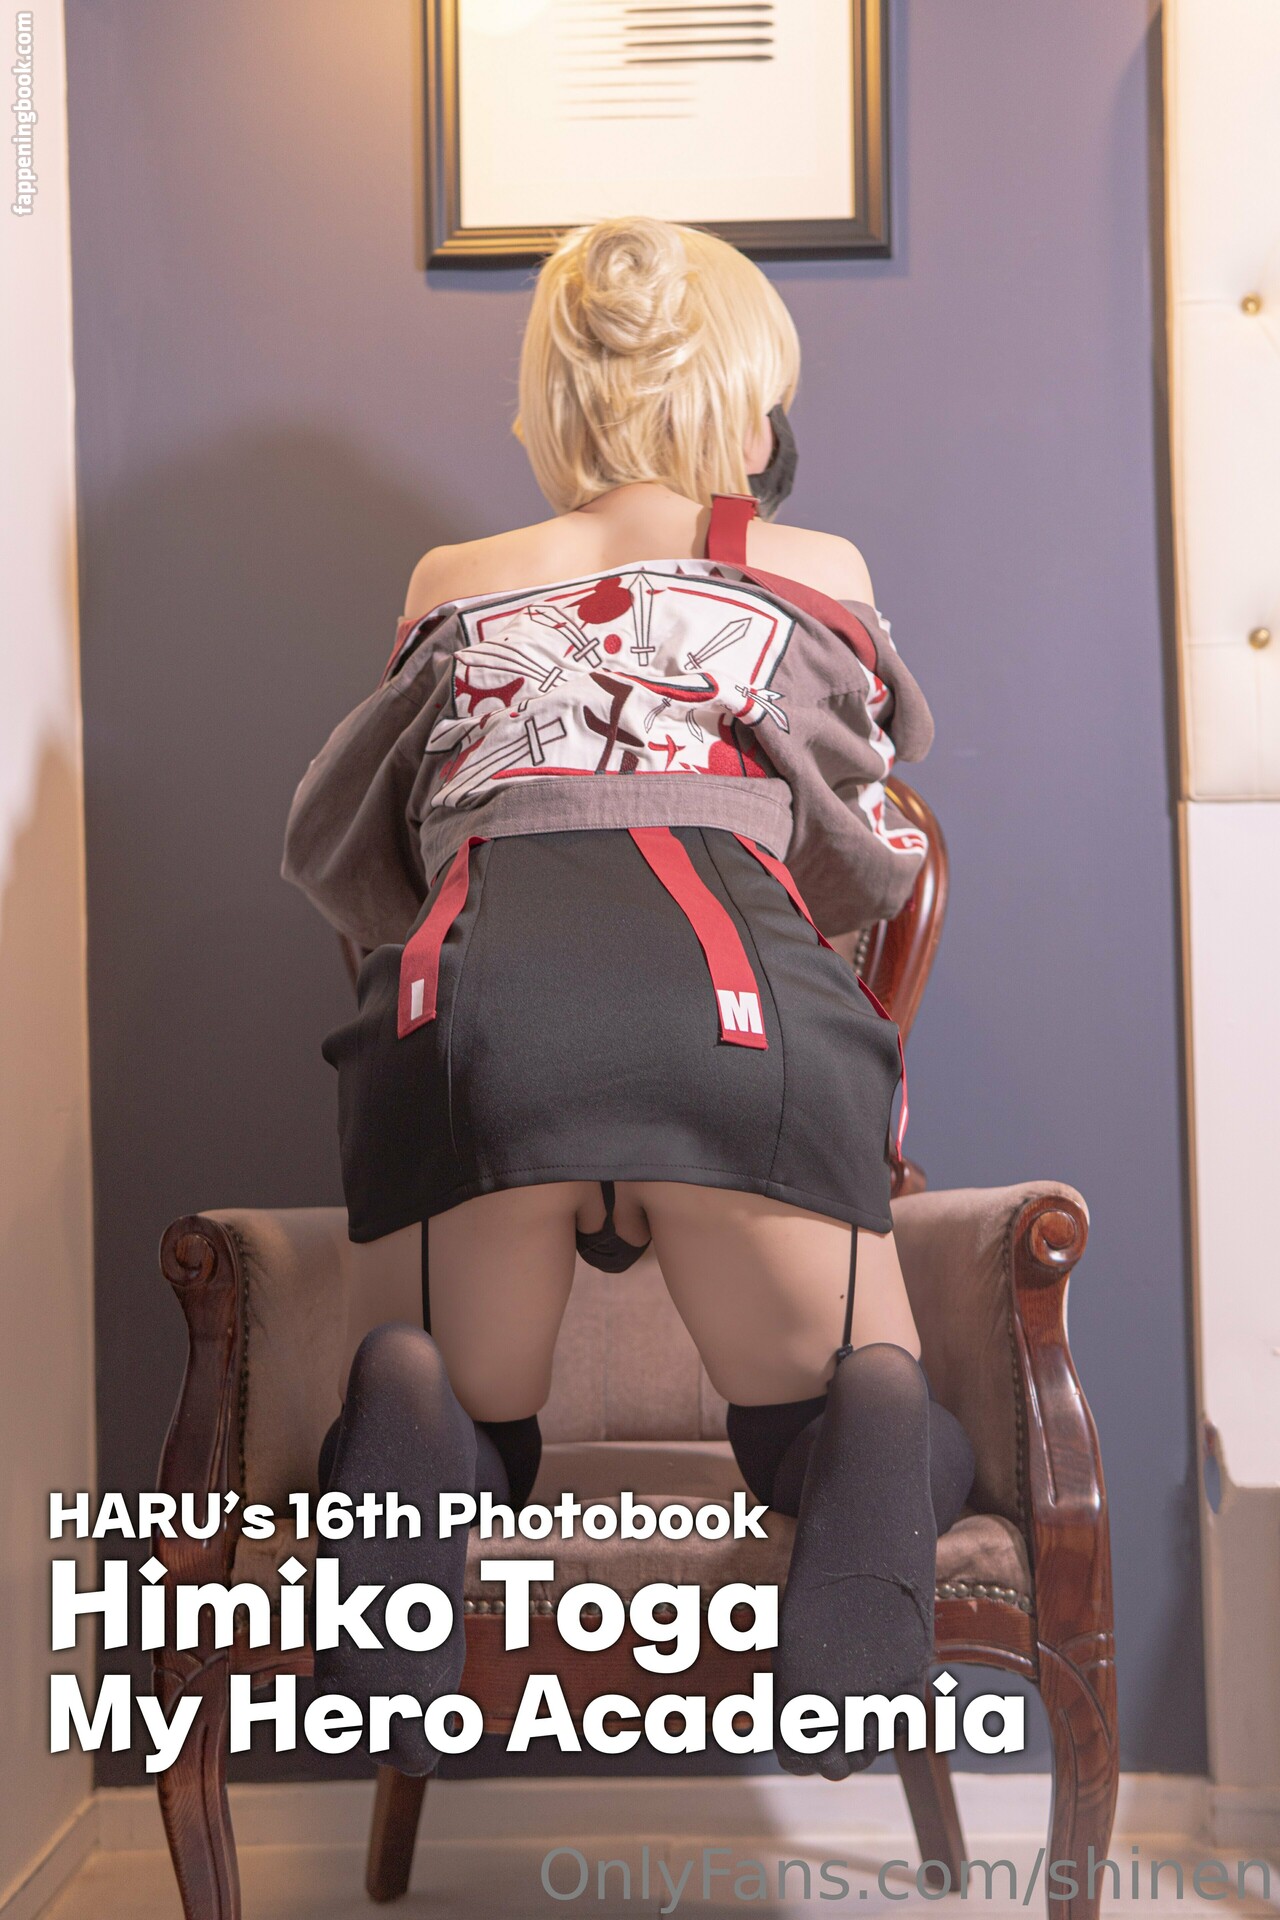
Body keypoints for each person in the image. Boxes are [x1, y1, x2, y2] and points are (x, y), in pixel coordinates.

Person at [282, 214, 974, 1779]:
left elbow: (366, 848)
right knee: (846, 1396)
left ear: (559, 399)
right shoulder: (812, 569)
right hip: (729, 1007)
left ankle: (403, 1509)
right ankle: (859, 1584)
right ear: (753, 405)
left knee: (459, 1399)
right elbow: (853, 839)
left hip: (481, 1013)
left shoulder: (454, 581)